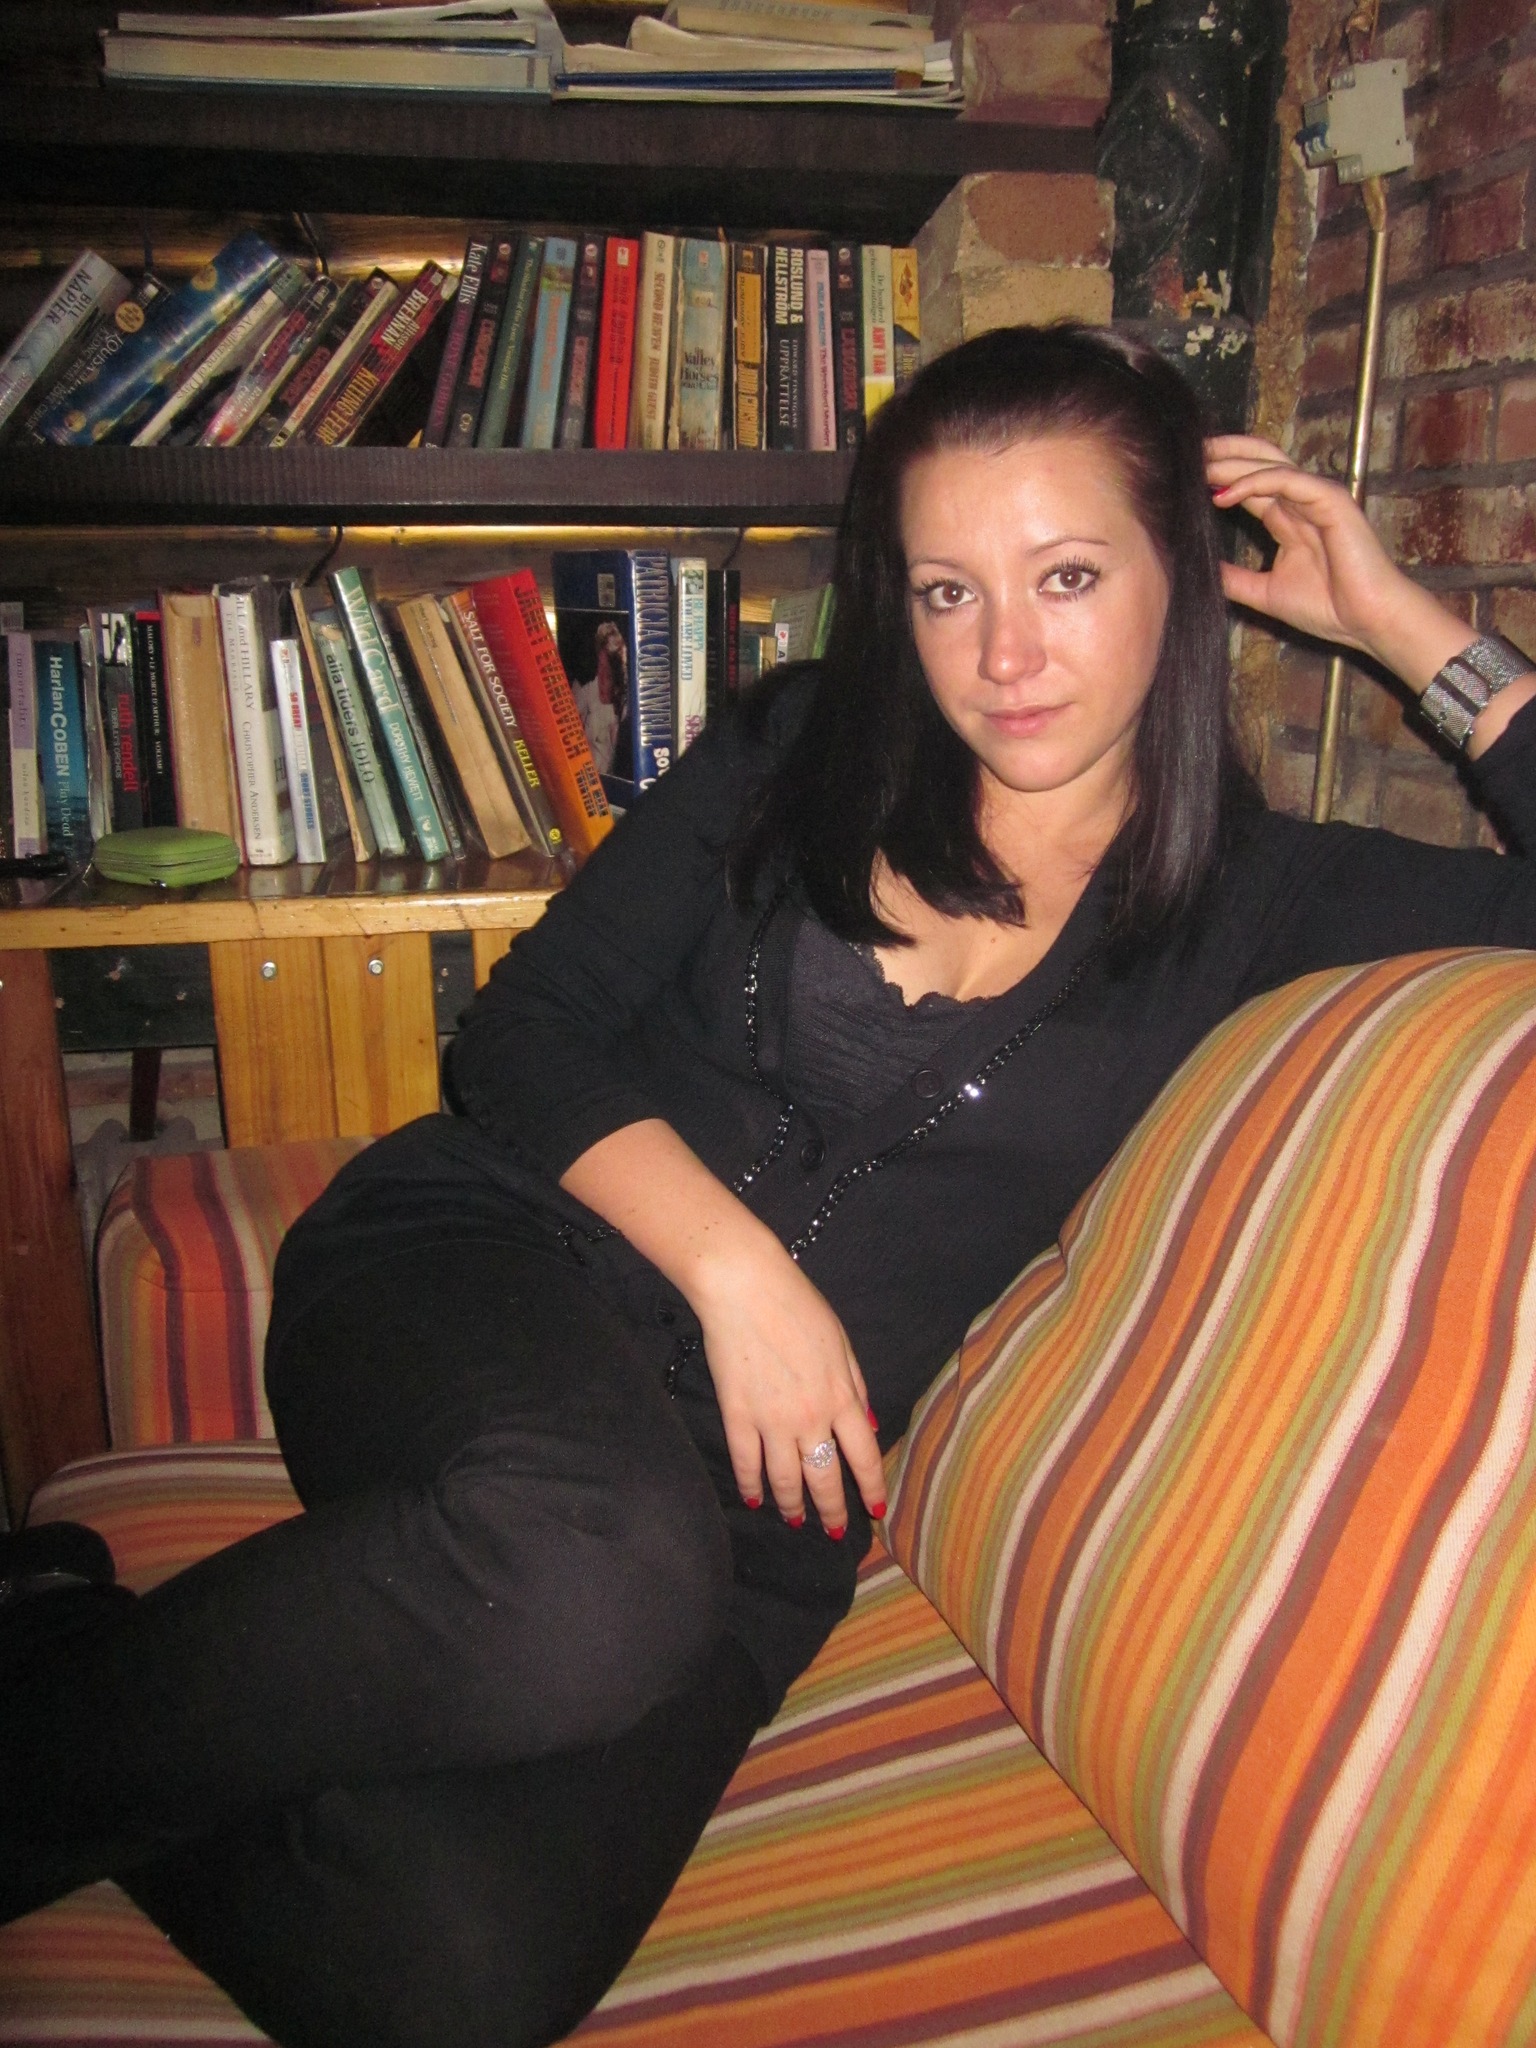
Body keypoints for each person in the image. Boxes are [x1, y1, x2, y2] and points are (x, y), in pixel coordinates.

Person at [6, 322, 1536, 2048]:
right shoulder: (802, 748)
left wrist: (1404, 629)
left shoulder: (1267, 902)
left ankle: (62, 1653)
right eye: (948, 592)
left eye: (1068, 576)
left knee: (445, 1985)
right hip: (477, 1275)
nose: (1005, 654)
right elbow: (518, 1038)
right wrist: (739, 1273)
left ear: (1184, 575)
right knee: (590, 1557)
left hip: (761, 1516)